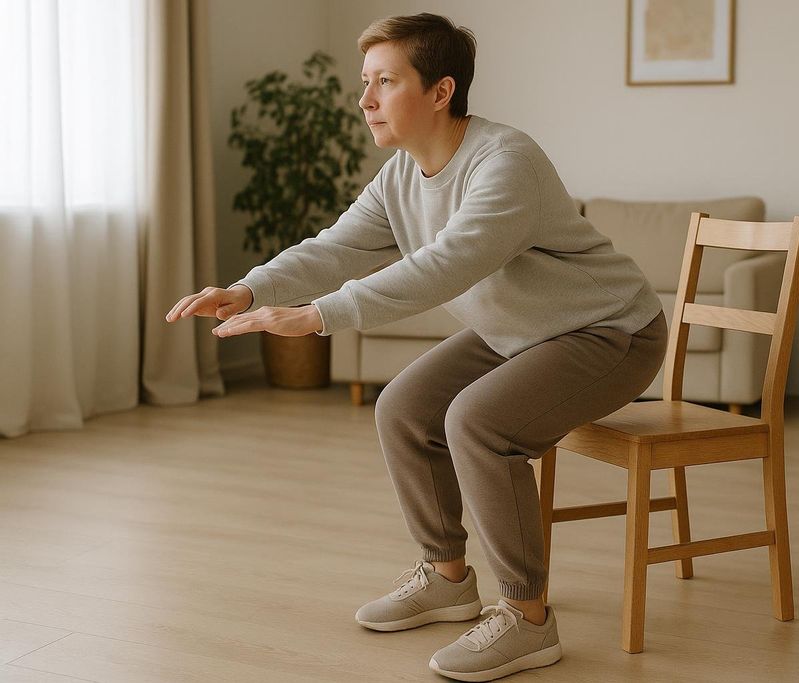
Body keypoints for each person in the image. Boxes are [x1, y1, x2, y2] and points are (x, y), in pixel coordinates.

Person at [166, 12, 667, 681]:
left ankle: (529, 617)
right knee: (401, 407)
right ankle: (448, 576)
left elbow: (445, 267)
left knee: (477, 421)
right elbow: (336, 247)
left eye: (385, 81)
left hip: (611, 331)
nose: (365, 99)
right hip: (516, 333)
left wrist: (318, 315)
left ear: (440, 91)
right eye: (364, 81)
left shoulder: (504, 162)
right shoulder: (402, 175)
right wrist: (248, 290)